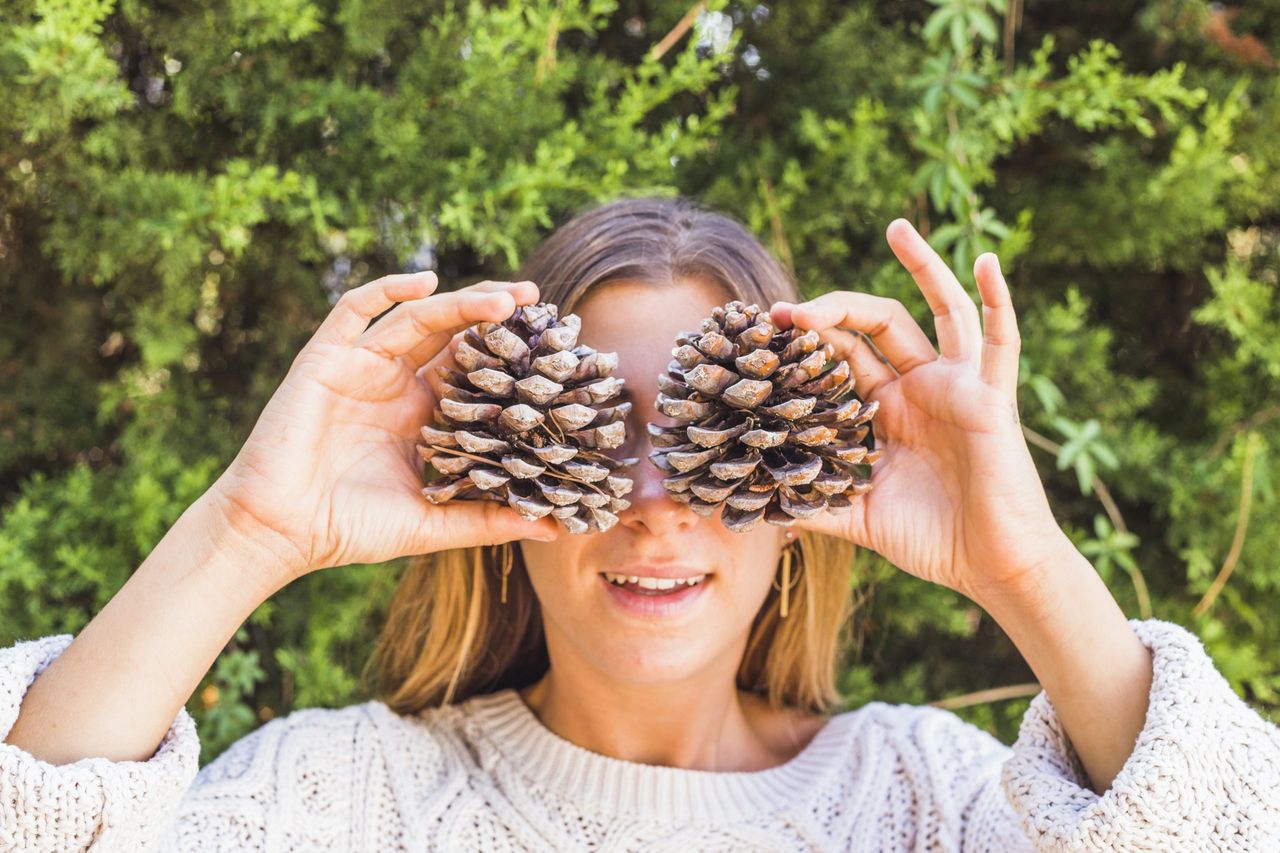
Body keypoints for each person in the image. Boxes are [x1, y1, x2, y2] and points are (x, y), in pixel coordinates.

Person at [1, 197, 1277, 852]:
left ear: (807, 483)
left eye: (719, 443)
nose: (655, 500)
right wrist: (249, 530)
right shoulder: (343, 800)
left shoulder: (934, 803)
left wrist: (1021, 565)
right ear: (498, 479)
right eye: (589, 434)